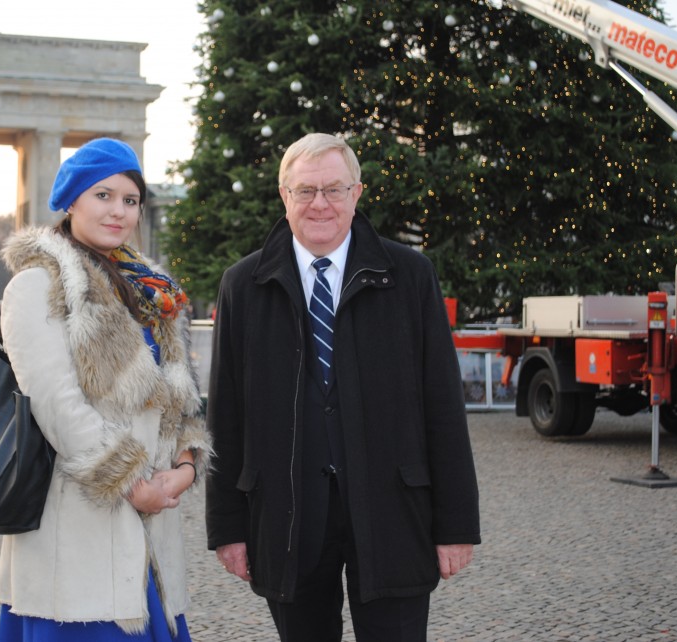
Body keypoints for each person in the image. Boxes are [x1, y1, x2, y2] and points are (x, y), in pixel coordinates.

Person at [205, 133, 481, 642]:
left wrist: (457, 525)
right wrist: (228, 529)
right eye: (305, 191)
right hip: (288, 517)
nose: (320, 204)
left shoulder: (410, 276)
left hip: (394, 509)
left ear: (358, 193)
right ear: (284, 196)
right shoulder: (243, 285)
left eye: (334, 189)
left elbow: (443, 405)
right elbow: (226, 415)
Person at [0, 138, 211, 641]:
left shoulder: (152, 290)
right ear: (71, 201)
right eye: (103, 196)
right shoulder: (36, 285)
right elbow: (55, 405)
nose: (118, 211)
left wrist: (183, 466)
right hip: (77, 526)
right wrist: (134, 484)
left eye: (130, 200)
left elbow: (181, 398)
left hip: (151, 529)